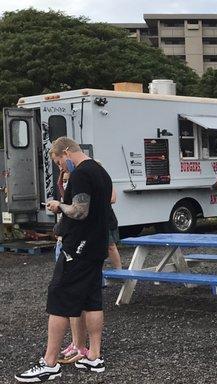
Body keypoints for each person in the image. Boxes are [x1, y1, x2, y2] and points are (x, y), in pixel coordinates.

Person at [16, 137, 112, 382]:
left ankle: (49, 363)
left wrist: (59, 205)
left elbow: (80, 210)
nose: (61, 167)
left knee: (58, 299)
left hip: (78, 248)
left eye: (59, 162)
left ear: (67, 152)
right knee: (92, 301)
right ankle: (94, 357)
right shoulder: (102, 172)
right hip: (96, 246)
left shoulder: (81, 173)